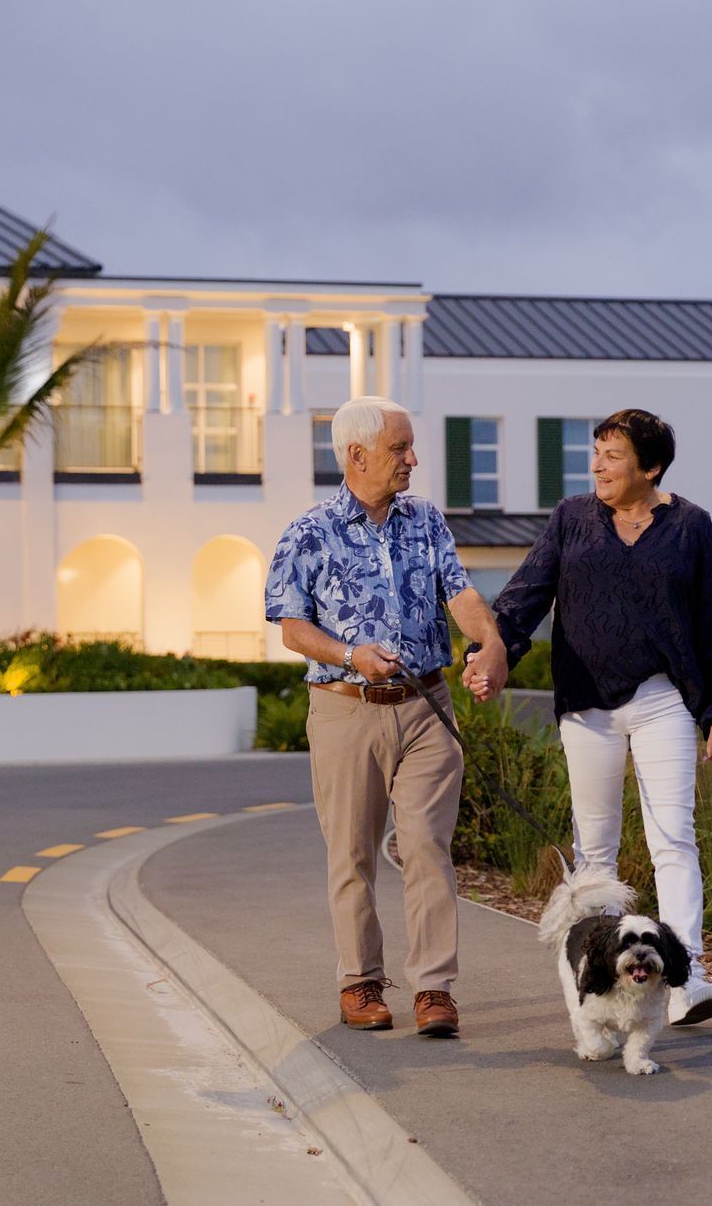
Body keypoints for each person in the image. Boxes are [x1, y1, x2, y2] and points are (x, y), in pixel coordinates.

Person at [463, 407, 712, 1026]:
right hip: (587, 704)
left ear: (650, 467)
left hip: (661, 700)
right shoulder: (572, 519)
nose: (598, 464)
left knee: (673, 835)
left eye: (614, 454)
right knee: (594, 851)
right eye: (595, 452)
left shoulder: (691, 528)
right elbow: (523, 598)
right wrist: (489, 656)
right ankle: (591, 983)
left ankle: (686, 977)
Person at [266, 395, 503, 1037]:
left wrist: (490, 641)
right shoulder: (306, 533)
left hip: (427, 706)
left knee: (427, 844)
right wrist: (349, 654)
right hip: (346, 710)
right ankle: (360, 981)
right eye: (400, 449)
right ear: (357, 454)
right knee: (352, 852)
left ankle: (433, 988)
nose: (412, 460)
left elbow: (460, 591)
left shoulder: (424, 520)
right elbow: (291, 628)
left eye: (409, 446)